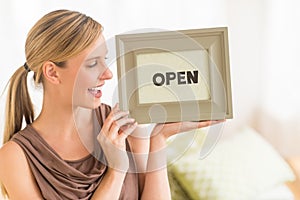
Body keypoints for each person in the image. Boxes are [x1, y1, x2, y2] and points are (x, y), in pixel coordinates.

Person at [0, 9, 223, 200]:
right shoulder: (15, 158)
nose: (107, 74)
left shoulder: (124, 124)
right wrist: (116, 170)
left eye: (104, 60)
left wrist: (157, 139)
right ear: (52, 72)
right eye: (92, 64)